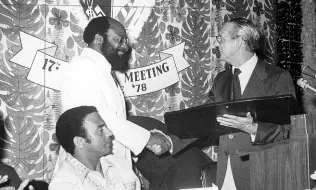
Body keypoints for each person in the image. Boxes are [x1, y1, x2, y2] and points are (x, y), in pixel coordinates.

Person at [56, 16, 215, 189]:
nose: (126, 46)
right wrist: (146, 138)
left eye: (125, 40)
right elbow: (98, 120)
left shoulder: (101, 69)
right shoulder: (83, 67)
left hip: (109, 166)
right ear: (98, 39)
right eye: (119, 39)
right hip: (88, 169)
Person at [208, 17, 298, 190]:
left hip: (262, 175)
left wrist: (256, 129)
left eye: (221, 38)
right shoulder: (220, 80)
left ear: (240, 41)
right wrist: (167, 139)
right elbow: (201, 115)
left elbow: (293, 129)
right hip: (225, 174)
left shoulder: (278, 77)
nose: (217, 44)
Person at [49, 106, 140, 190]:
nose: (110, 133)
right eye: (100, 130)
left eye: (106, 127)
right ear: (80, 142)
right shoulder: (64, 184)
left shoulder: (121, 164)